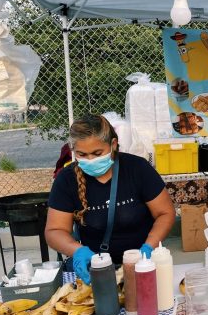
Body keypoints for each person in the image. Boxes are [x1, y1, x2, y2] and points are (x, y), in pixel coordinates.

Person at [45, 115, 176, 283]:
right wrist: (77, 251)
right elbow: (55, 231)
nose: (90, 160)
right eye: (82, 154)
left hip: (143, 264)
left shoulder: (138, 169)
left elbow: (165, 213)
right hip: (95, 270)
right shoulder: (66, 180)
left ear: (113, 145)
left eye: (97, 153)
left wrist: (149, 247)